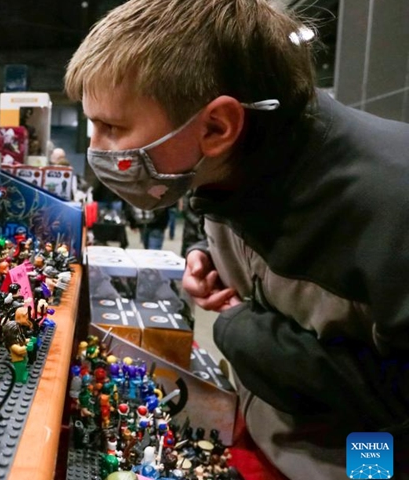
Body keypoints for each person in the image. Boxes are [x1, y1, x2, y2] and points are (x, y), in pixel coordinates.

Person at [65, 0, 409, 478]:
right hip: (267, 432)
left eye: (112, 127)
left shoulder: (392, 207)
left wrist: (239, 329)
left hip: (358, 463)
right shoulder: (231, 157)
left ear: (217, 126)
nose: (95, 147)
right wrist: (204, 256)